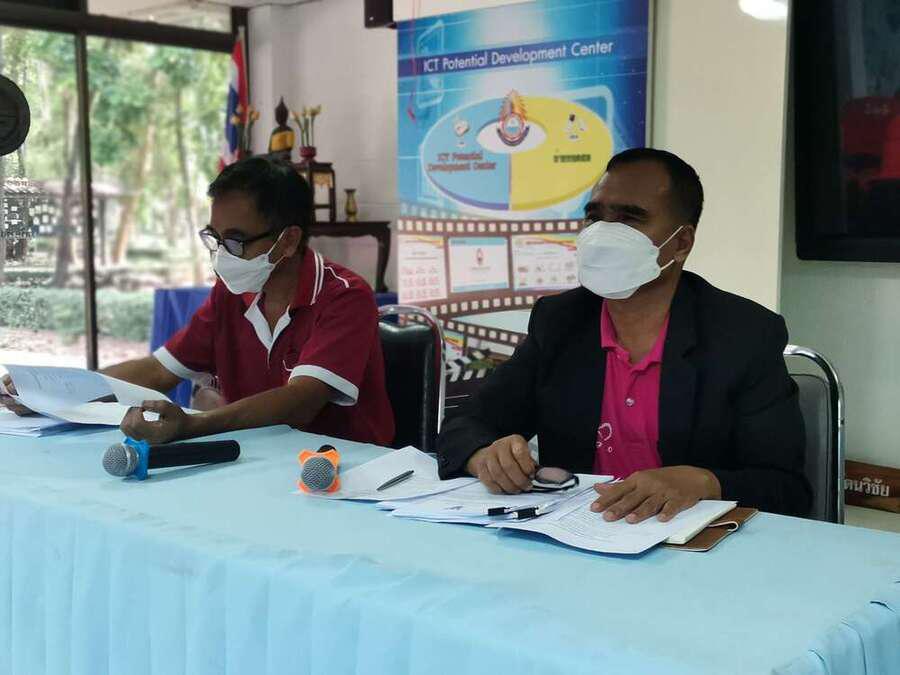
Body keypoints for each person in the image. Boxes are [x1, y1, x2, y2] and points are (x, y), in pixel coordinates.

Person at [437, 148, 811, 520]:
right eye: (594, 217)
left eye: (629, 219)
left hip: (690, 542)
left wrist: (703, 482)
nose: (603, 234)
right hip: (575, 531)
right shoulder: (560, 321)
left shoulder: (745, 335)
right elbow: (465, 425)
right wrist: (485, 456)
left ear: (681, 243)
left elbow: (786, 489)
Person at [1, 156, 394, 447]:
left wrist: (193, 426)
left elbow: (301, 401)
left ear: (288, 240)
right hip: (257, 456)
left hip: (343, 472)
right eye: (215, 238)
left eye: (235, 241)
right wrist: (55, 394)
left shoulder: (344, 297)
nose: (221, 255)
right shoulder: (231, 294)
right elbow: (159, 371)